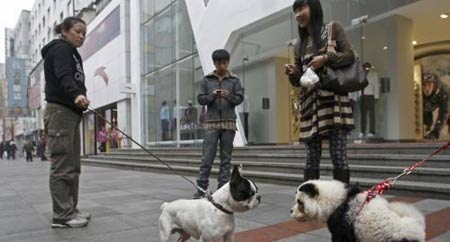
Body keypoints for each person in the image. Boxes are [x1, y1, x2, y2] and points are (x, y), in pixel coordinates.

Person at [284, 0, 355, 183]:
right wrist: (293, 74)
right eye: (295, 11)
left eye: (301, 8)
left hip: (333, 102)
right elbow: (300, 80)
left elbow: (350, 56)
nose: (298, 14)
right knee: (311, 158)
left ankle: (342, 201)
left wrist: (325, 58)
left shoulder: (332, 29)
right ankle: (310, 202)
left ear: (313, 8)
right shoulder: (299, 44)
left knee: (338, 156)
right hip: (310, 104)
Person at [42, 17, 91, 228]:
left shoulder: (72, 52)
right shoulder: (60, 49)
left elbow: (73, 78)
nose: (81, 36)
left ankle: (71, 208)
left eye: (84, 33)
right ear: (64, 30)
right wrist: (76, 95)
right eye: (78, 31)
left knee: (73, 166)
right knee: (63, 166)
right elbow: (64, 76)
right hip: (60, 112)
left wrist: (79, 98)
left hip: (70, 113)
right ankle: (62, 216)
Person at [193, 49, 244, 199]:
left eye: (224, 62)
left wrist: (228, 96)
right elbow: (201, 99)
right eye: (218, 62)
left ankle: (222, 189)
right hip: (211, 124)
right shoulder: (206, 80)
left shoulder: (235, 80)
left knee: (226, 158)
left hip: (229, 123)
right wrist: (212, 96)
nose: (221, 65)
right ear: (214, 63)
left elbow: (239, 99)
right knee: (207, 157)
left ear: (228, 62)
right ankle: (202, 188)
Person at [422, 72, 449, 140]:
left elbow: (443, 113)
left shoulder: (443, 91)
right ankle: (427, 125)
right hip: (425, 105)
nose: (427, 88)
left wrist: (435, 131)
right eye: (424, 85)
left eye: (429, 84)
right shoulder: (416, 89)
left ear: (434, 84)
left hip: (436, 102)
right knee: (426, 115)